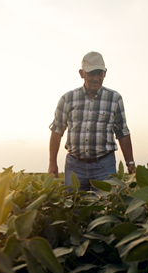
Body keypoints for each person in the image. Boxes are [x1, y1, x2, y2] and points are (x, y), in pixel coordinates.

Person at [48, 51, 135, 191]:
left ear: (105, 73)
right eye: (91, 73)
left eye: (99, 73)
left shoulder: (115, 98)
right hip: (75, 166)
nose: (96, 78)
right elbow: (57, 131)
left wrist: (130, 162)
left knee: (106, 208)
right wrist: (52, 163)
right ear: (82, 74)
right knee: (74, 209)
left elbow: (122, 132)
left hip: (104, 165)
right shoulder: (68, 98)